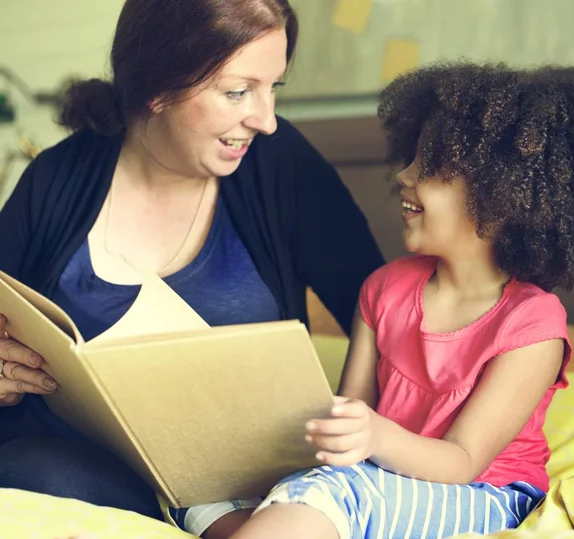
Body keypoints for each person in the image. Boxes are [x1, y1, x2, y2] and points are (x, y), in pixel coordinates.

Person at [0, 0, 384, 538]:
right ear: (158, 87)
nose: (266, 120)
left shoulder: (280, 166)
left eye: (273, 87)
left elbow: (387, 319)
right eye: (238, 92)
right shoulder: (57, 178)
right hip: (76, 466)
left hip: (250, 480)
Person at [229, 62, 574, 539]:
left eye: (428, 167)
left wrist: (374, 438)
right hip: (381, 477)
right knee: (229, 492)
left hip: (486, 493)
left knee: (332, 495)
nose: (404, 176)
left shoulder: (532, 324)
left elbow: (463, 461)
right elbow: (353, 415)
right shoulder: (383, 288)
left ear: (501, 200)